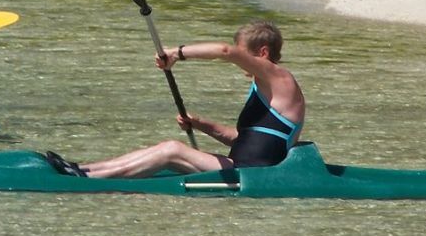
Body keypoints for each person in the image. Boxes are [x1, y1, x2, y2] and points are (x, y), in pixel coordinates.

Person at [45, 19, 305, 178]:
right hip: (243, 165)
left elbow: (224, 51)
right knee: (168, 148)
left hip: (253, 175)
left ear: (262, 52)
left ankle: (89, 177)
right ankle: (85, 169)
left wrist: (177, 54)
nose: (239, 59)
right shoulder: (266, 89)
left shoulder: (280, 79)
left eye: (243, 53)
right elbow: (247, 140)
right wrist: (201, 124)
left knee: (171, 150)